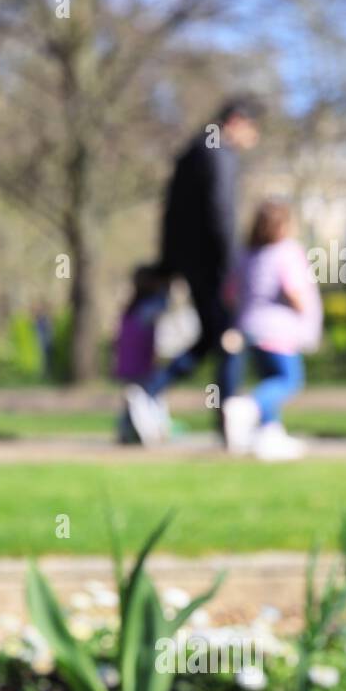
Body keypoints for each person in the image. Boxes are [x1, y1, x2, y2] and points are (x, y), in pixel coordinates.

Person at [126, 96, 264, 446]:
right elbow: (221, 212)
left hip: (195, 260)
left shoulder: (198, 149)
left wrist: (169, 262)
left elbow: (172, 212)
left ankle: (151, 392)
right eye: (254, 129)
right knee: (231, 335)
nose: (255, 139)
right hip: (212, 263)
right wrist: (232, 265)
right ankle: (228, 412)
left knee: (211, 337)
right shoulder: (216, 152)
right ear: (237, 121)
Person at [221, 201, 322, 461]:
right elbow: (294, 290)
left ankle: (269, 435)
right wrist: (304, 311)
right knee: (289, 380)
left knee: (269, 378)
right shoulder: (287, 252)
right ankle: (247, 407)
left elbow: (230, 294)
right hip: (279, 330)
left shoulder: (246, 255)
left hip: (249, 329)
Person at [114, 264, 170, 443]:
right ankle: (153, 430)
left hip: (128, 362)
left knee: (134, 398)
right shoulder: (149, 307)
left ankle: (125, 432)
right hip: (142, 362)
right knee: (145, 397)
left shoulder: (130, 308)